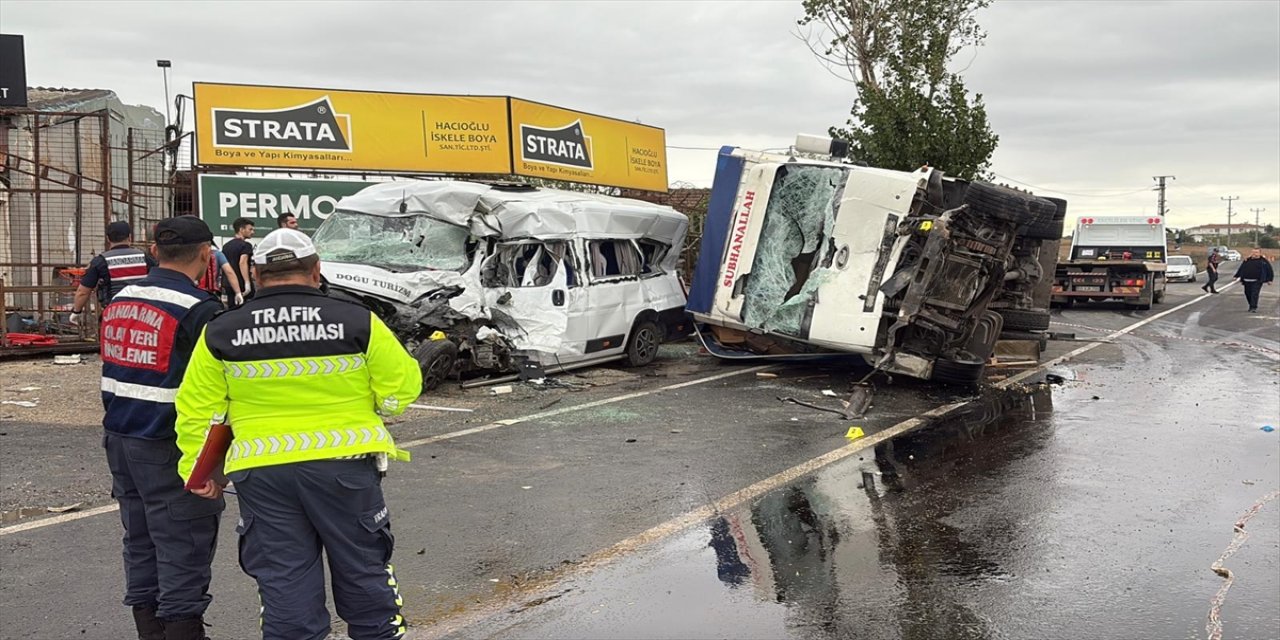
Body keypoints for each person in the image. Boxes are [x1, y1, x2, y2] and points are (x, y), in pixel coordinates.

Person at [176, 229, 421, 640]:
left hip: (261, 473)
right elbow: (403, 387)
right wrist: (379, 410)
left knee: (284, 585)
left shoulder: (222, 330)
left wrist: (197, 471)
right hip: (345, 471)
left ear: (255, 273)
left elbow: (196, 408)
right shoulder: (357, 319)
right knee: (364, 574)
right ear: (316, 270)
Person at [99, 217, 225, 640]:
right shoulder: (200, 309)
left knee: (140, 541)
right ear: (207, 254)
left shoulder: (121, 298)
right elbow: (217, 388)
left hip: (119, 436)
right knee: (183, 545)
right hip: (169, 443)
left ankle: (150, 631)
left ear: (155, 251)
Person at [71, 221, 156, 325]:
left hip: (114, 315)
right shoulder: (145, 258)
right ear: (130, 237)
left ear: (108, 239)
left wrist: (76, 311)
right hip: (143, 315)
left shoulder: (100, 261)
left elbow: (82, 292)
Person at [220, 218, 255, 308]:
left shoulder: (226, 246)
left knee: (231, 310)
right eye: (250, 229)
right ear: (241, 230)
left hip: (228, 283)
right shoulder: (246, 245)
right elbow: (242, 262)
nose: (253, 232)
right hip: (241, 284)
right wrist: (247, 283)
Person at [1233, 248, 1274, 313]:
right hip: (1246, 280)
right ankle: (1251, 304)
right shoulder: (1247, 260)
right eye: (1253, 252)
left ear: (1260, 253)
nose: (1255, 254)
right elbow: (1241, 268)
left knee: (1254, 293)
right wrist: (1236, 276)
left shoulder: (1263, 261)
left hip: (1257, 280)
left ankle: (1253, 307)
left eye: (1256, 252)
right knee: (1247, 293)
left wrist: (1270, 279)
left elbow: (1269, 270)